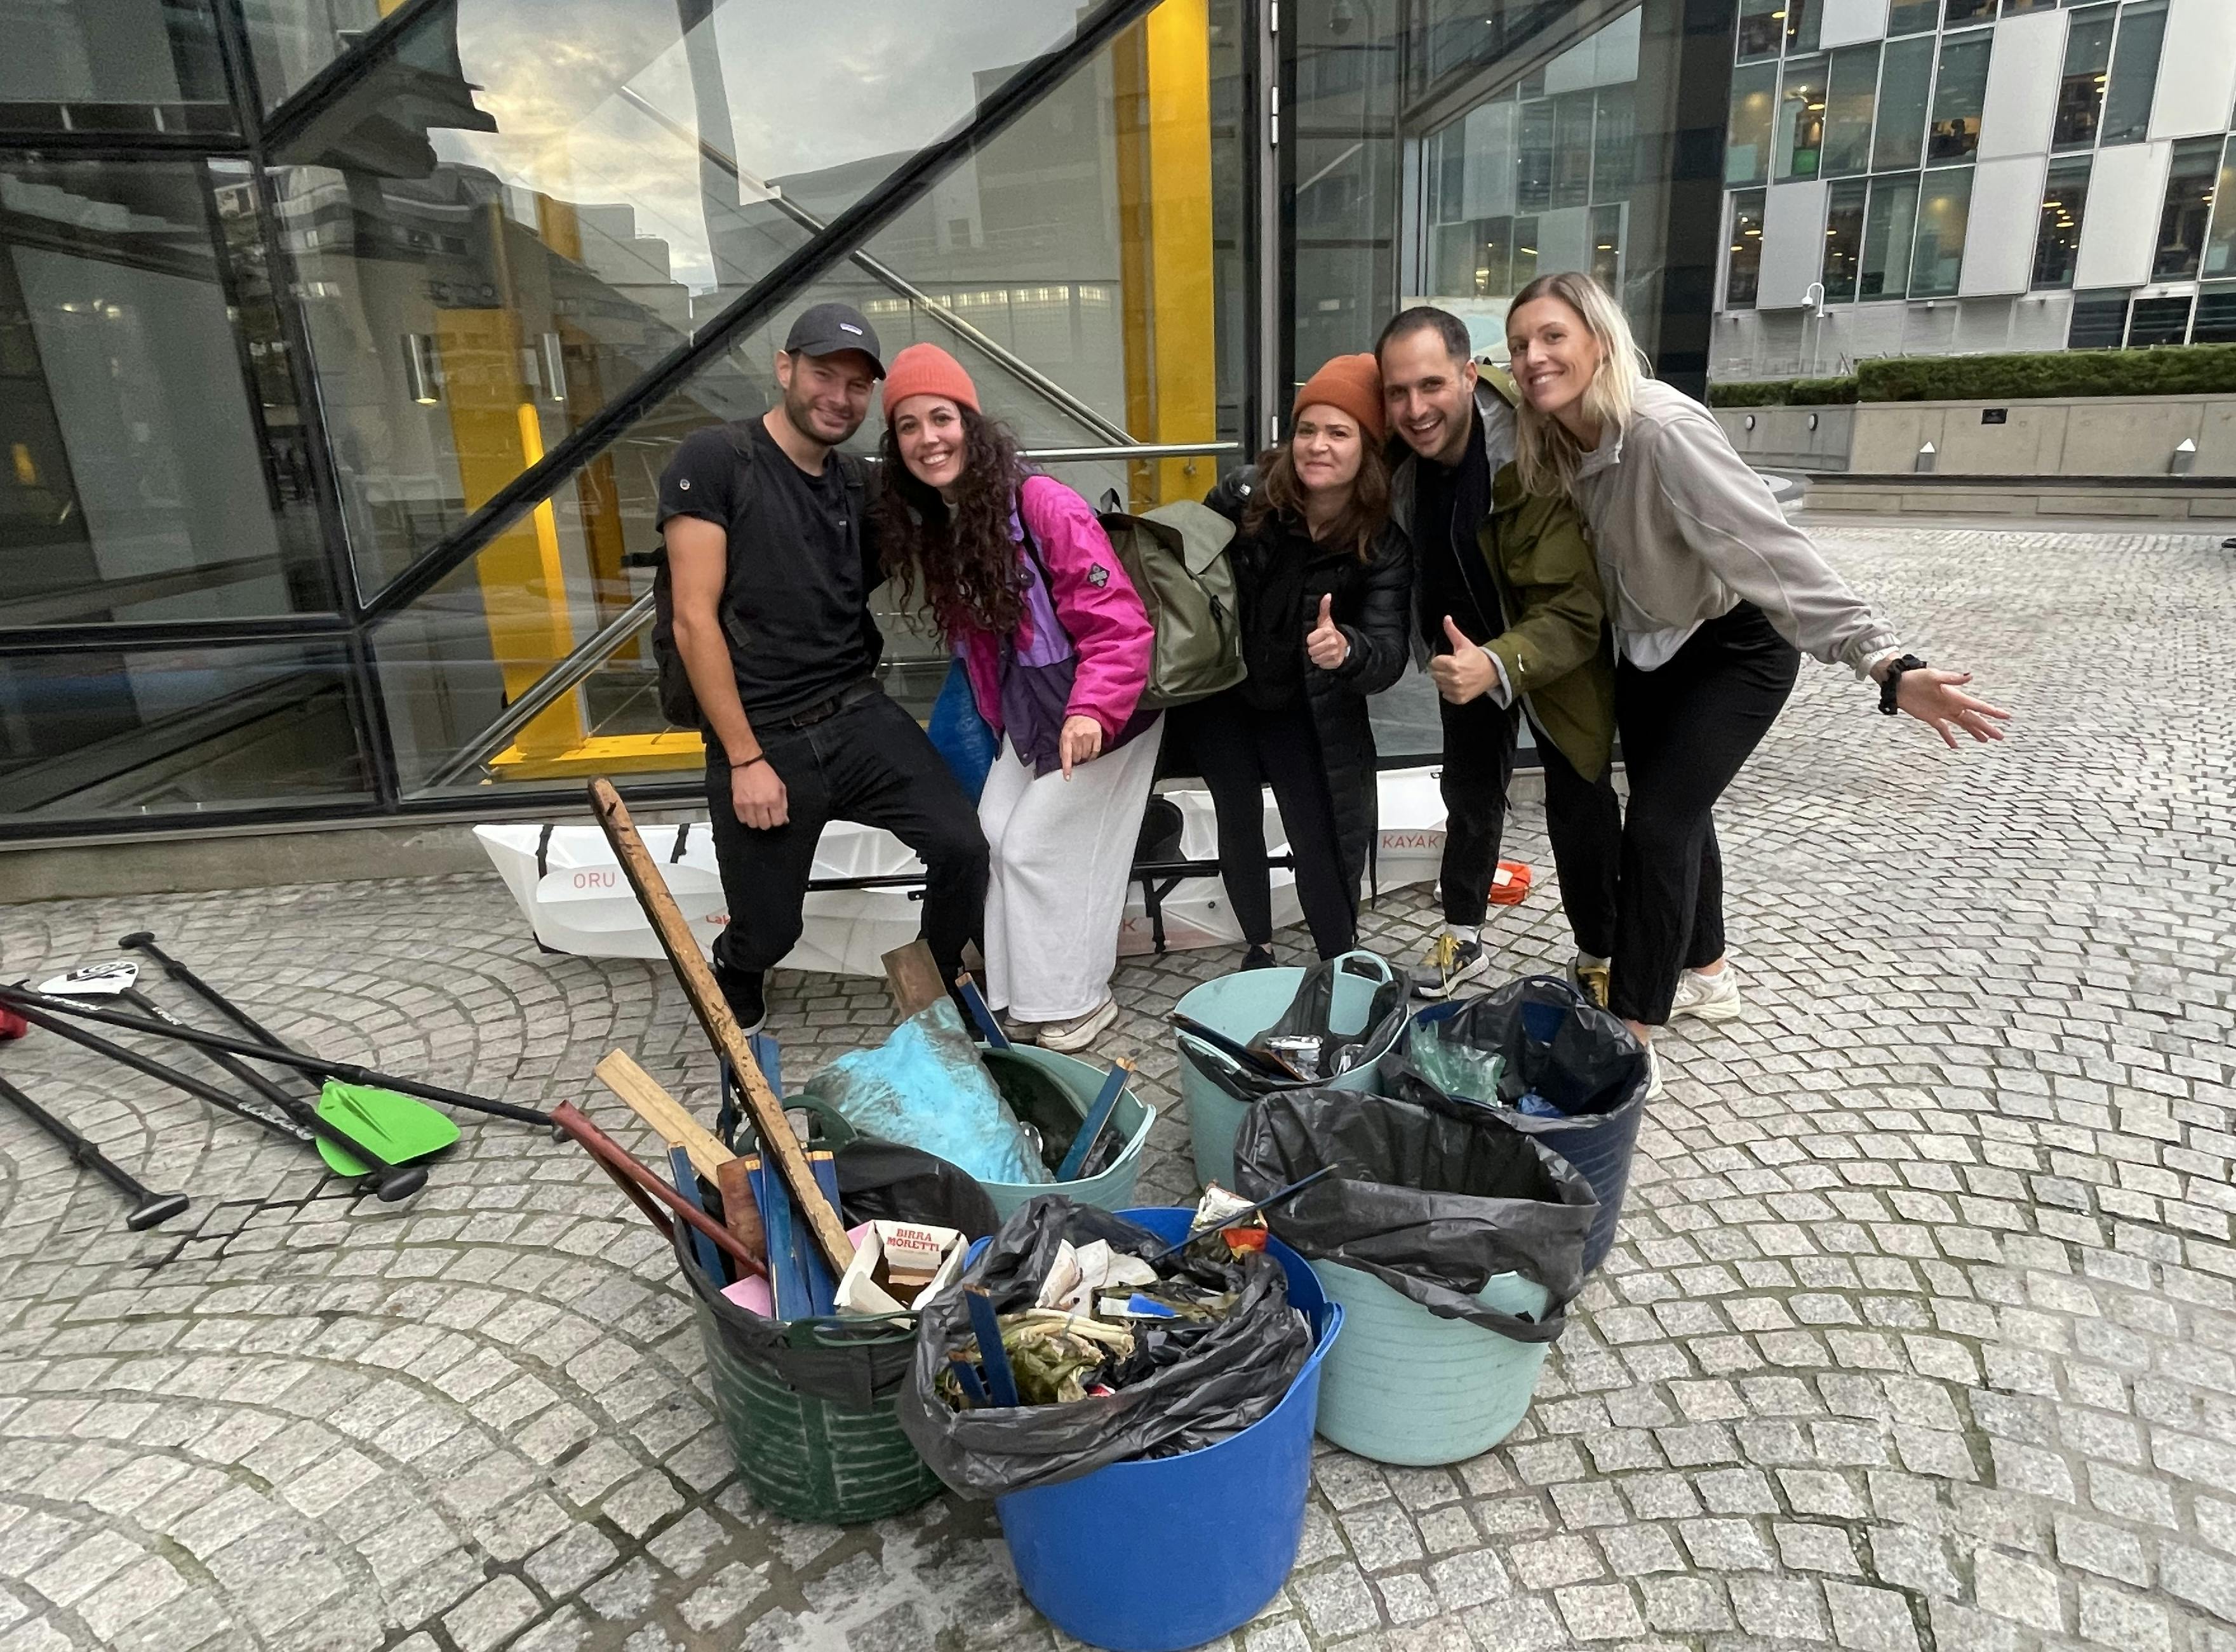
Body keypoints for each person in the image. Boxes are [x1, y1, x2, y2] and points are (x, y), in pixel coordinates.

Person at [1501, 270, 2009, 1091]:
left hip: (1733, 649)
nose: (1533, 355)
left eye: (1552, 336)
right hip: (1645, 652)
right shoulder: (1554, 445)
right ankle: (1709, 972)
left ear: (1597, 340)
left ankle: (1632, 1030)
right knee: (1680, 812)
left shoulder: (1662, 431)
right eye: (1520, 343)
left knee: (1658, 830)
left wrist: (1883, 661)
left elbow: (1772, 549)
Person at [658, 304, 989, 1034]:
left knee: (962, 844)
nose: (838, 397)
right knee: (770, 931)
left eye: (856, 385)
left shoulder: (859, 485)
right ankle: (737, 965)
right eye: (822, 375)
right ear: (784, 368)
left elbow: (953, 514)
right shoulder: (716, 461)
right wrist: (744, 758)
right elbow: (692, 619)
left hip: (854, 712)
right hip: (761, 733)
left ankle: (932, 977)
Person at [873, 344, 1158, 1053]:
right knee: (995, 833)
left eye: (940, 417)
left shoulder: (1042, 504)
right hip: (1036, 714)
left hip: (1103, 708)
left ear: (971, 424)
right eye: (907, 426)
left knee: (1036, 844)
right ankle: (1020, 996)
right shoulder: (949, 523)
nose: (926, 437)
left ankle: (1078, 1000)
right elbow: (983, 649)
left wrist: (1092, 709)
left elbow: (1118, 621)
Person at [1379, 307, 1626, 1003]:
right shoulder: (1402, 460)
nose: (1415, 408)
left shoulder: (1531, 454)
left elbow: (1574, 609)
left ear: (1468, 373)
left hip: (1551, 660)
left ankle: (1598, 953)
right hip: (1463, 659)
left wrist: (1500, 661)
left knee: (1579, 803)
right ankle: (1464, 931)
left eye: (1430, 385)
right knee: (1468, 793)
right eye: (1397, 392)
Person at [1175, 354, 1412, 966]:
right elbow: (1190, 573)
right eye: (1307, 429)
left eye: (1339, 433)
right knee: (1237, 816)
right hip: (1221, 691)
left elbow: (1387, 655)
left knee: (1317, 831)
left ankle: (1339, 954)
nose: (1317, 446)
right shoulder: (1244, 495)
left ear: (1367, 449)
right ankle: (1256, 943)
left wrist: (1345, 649)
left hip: (1306, 704)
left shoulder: (1382, 542)